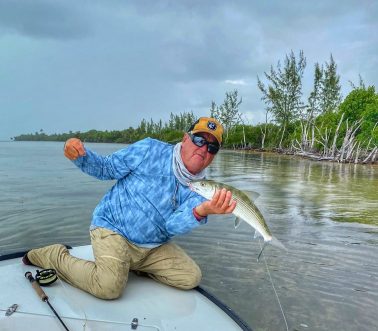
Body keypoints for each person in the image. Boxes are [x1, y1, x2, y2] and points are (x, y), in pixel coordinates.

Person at [23, 117, 236, 299]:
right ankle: (54, 256)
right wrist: (80, 155)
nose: (203, 149)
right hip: (113, 229)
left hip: (152, 246)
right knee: (109, 287)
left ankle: (130, 265)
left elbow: (171, 226)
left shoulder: (204, 189)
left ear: (214, 154)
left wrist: (202, 211)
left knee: (190, 277)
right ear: (185, 138)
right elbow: (106, 168)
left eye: (212, 147)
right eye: (199, 139)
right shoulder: (150, 149)